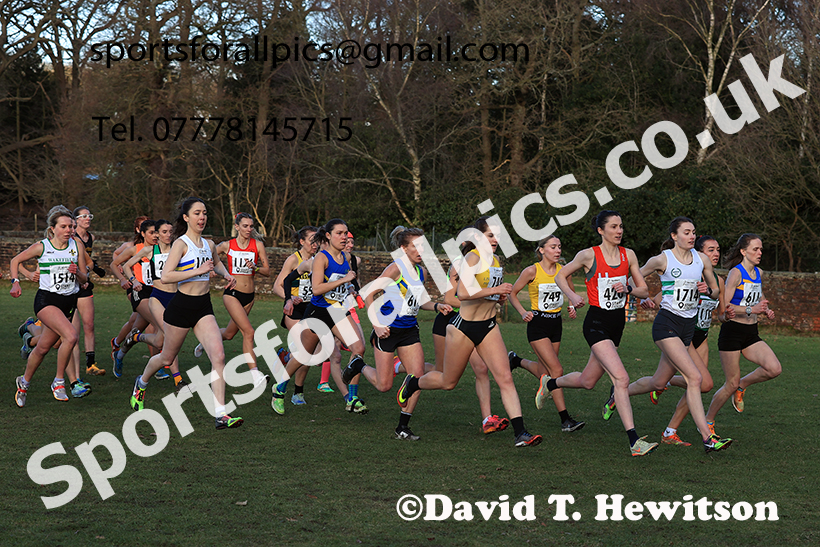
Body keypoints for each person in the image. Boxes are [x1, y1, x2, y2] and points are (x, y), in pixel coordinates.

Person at [396, 216, 542, 447]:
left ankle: (520, 433)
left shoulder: (495, 261)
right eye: (490, 235)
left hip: (488, 327)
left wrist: (498, 296)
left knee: (504, 377)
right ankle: (413, 384)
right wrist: (494, 289)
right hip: (464, 328)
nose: (495, 240)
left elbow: (486, 293)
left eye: (498, 236)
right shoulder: (472, 258)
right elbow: (462, 294)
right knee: (447, 382)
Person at [609, 217, 732, 453]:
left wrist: (709, 290)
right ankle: (708, 438)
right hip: (667, 325)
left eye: (694, 232)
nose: (692, 236)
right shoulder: (663, 259)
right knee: (694, 379)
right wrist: (635, 293)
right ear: (675, 236)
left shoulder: (701, 259)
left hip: (688, 328)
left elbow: (716, 292)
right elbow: (634, 277)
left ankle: (617, 393)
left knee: (658, 382)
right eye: (686, 232)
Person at [543, 210, 658, 457]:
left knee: (588, 381)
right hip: (596, 323)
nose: (619, 231)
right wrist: (572, 296)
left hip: (617, 325)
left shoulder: (629, 255)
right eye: (614, 227)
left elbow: (643, 289)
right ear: (600, 230)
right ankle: (634, 441)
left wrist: (627, 287)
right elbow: (560, 275)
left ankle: (550, 383)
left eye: (621, 226)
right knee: (621, 379)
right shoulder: (588, 255)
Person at [129, 197, 243, 430]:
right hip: (181, 306)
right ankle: (141, 383)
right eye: (197, 213)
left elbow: (216, 263)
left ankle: (221, 414)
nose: (202, 217)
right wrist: (195, 271)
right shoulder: (180, 244)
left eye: (204, 213)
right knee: (166, 359)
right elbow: (167, 276)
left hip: (203, 306)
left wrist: (226, 275)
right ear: (186, 217)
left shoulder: (209, 244)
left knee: (219, 356)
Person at [343, 226, 452, 440]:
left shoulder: (421, 271)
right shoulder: (395, 268)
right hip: (388, 330)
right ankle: (359, 365)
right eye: (416, 246)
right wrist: (376, 325)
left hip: (410, 330)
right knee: (384, 386)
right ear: (404, 248)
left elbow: (420, 302)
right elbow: (369, 293)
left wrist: (437, 306)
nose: (421, 250)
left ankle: (403, 427)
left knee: (417, 376)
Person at [271, 219, 369, 415]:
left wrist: (350, 288)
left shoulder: (347, 257)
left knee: (359, 348)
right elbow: (316, 289)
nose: (344, 237)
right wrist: (345, 279)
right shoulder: (321, 259)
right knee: (304, 356)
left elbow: (347, 282)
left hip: (337, 310)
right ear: (328, 236)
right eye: (339, 233)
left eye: (346, 233)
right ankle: (279, 388)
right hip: (318, 313)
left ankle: (352, 397)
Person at [648, 235, 725, 446]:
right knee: (694, 379)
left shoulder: (717, 280)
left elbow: (721, 309)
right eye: (710, 250)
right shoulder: (683, 270)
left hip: (699, 337)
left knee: (704, 384)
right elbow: (658, 300)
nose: (715, 254)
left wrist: (730, 311)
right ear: (698, 253)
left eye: (718, 250)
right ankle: (696, 435)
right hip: (675, 333)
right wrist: (647, 300)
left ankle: (624, 391)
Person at [11, 205, 89, 406]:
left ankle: (24, 382)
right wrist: (17, 281)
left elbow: (84, 278)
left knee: (44, 347)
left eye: (71, 226)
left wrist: (77, 273)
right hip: (46, 300)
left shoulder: (76, 246)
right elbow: (15, 260)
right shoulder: (42, 246)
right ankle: (59, 381)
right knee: (71, 336)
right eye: (64, 226)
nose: (69, 230)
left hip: (68, 302)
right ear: (53, 228)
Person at [507, 234, 585, 432]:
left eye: (559, 247)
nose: (558, 250)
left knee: (546, 372)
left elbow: (571, 292)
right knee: (556, 371)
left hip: (556, 324)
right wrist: (523, 312)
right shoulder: (531, 270)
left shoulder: (563, 271)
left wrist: (572, 305)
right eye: (553, 247)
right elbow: (512, 293)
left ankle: (516, 361)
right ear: (541, 250)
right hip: (538, 324)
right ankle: (565, 419)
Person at [428, 245, 507, 435]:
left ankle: (487, 419)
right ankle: (412, 380)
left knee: (481, 369)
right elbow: (450, 298)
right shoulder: (459, 266)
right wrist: (481, 299)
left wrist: (493, 298)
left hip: (474, 323)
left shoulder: (487, 267)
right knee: (444, 376)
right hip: (451, 322)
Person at [705, 233, 781, 428]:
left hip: (751, 333)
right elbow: (725, 306)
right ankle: (708, 421)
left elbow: (759, 296)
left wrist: (765, 309)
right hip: (732, 332)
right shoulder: (736, 273)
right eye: (755, 249)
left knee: (774, 369)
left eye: (761, 249)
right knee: (730, 382)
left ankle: (743, 385)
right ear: (743, 251)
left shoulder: (759, 272)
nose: (759, 252)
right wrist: (750, 309)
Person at [193, 213, 271, 389]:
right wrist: (210, 269)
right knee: (249, 332)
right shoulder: (227, 245)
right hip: (232, 294)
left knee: (229, 334)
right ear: (237, 226)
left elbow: (267, 271)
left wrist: (256, 267)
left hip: (249, 296)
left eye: (251, 226)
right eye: (245, 226)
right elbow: (209, 256)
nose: (249, 230)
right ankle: (255, 375)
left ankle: (205, 342)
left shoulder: (257, 245)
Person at [120, 219, 188, 391]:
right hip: (157, 297)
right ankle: (178, 379)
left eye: (170, 232)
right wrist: (133, 280)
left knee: (160, 341)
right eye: (164, 232)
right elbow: (127, 265)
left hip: (175, 297)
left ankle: (137, 337)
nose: (167, 235)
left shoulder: (178, 249)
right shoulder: (150, 250)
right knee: (170, 334)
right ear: (157, 234)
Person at [272, 225, 332, 401]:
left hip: (311, 309)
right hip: (293, 310)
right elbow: (277, 285)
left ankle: (286, 356)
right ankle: (297, 393)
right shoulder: (293, 260)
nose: (315, 244)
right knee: (304, 350)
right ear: (302, 241)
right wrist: (289, 298)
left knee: (312, 353)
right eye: (311, 240)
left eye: (316, 240)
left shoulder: (319, 260)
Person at [111, 220, 163, 377]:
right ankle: (158, 366)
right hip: (140, 291)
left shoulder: (161, 250)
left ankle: (119, 355)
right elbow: (115, 264)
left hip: (157, 292)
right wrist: (124, 279)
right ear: (142, 233)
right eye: (151, 232)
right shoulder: (135, 250)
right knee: (158, 323)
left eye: (157, 232)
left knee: (136, 330)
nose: (155, 236)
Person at [71, 206, 106, 376]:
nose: (88, 219)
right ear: (75, 220)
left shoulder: (91, 237)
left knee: (89, 325)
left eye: (89, 216)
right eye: (83, 216)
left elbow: (88, 262)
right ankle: (32, 330)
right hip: (70, 286)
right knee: (69, 332)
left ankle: (91, 365)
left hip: (84, 284)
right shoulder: (71, 237)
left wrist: (86, 274)